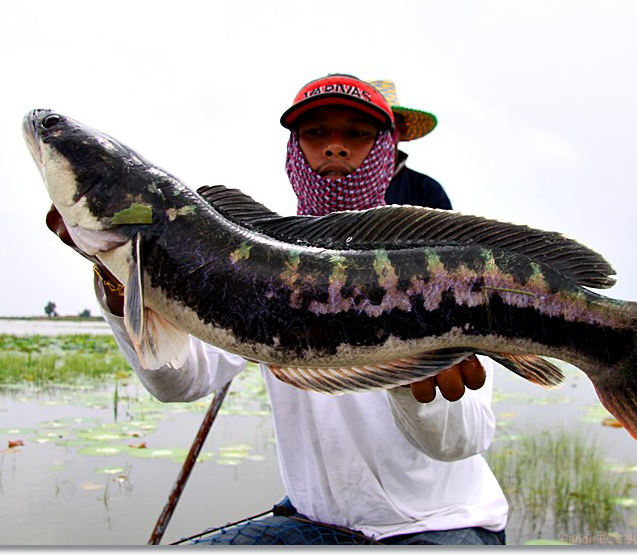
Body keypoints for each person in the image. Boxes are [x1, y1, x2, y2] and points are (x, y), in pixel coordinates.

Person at [46, 74, 508, 545]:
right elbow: (180, 380)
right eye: (315, 133)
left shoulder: (442, 267)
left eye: (356, 133)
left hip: (445, 524)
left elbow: (460, 441)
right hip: (313, 522)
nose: (334, 147)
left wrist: (417, 382)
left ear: (386, 151)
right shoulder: (253, 261)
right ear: (294, 147)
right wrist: (123, 280)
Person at [368, 79, 453, 210]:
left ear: (402, 128)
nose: (379, 133)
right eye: (369, 123)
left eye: (388, 123)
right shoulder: (331, 189)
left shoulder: (427, 191)